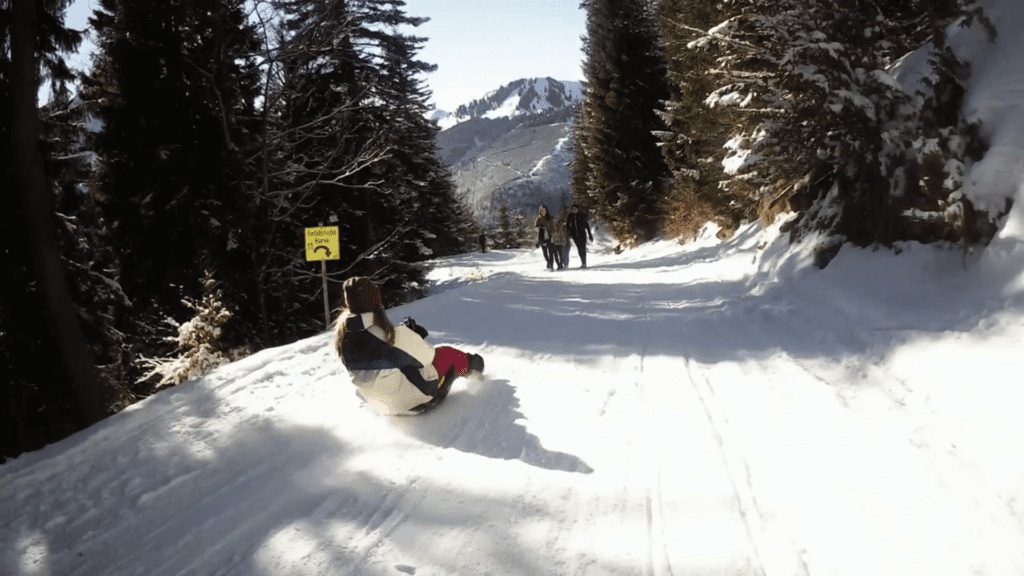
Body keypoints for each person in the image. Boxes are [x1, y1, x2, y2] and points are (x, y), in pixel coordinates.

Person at [334, 277, 484, 415]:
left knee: (398, 365)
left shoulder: (343, 337)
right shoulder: (393, 334)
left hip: (377, 404)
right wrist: (415, 336)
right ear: (376, 300)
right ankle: (475, 366)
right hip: (407, 403)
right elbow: (428, 356)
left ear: (348, 303)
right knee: (447, 354)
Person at [565, 204, 594, 268]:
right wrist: (569, 233)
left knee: (583, 248)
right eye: (573, 209)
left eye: (575, 209)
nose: (574, 210)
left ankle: (584, 263)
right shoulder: (570, 216)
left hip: (582, 234)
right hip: (575, 235)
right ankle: (582, 262)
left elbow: (587, 225)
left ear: (578, 209)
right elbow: (567, 225)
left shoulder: (582, 215)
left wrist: (590, 235)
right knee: (579, 249)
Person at [535, 205, 555, 270]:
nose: (543, 211)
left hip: (550, 237)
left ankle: (551, 266)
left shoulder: (550, 218)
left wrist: (552, 236)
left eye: (544, 210)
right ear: (540, 211)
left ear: (546, 211)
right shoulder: (539, 219)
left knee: (551, 252)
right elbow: (535, 227)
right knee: (545, 253)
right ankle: (548, 262)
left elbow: (553, 228)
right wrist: (539, 228)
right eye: (542, 210)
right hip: (542, 238)